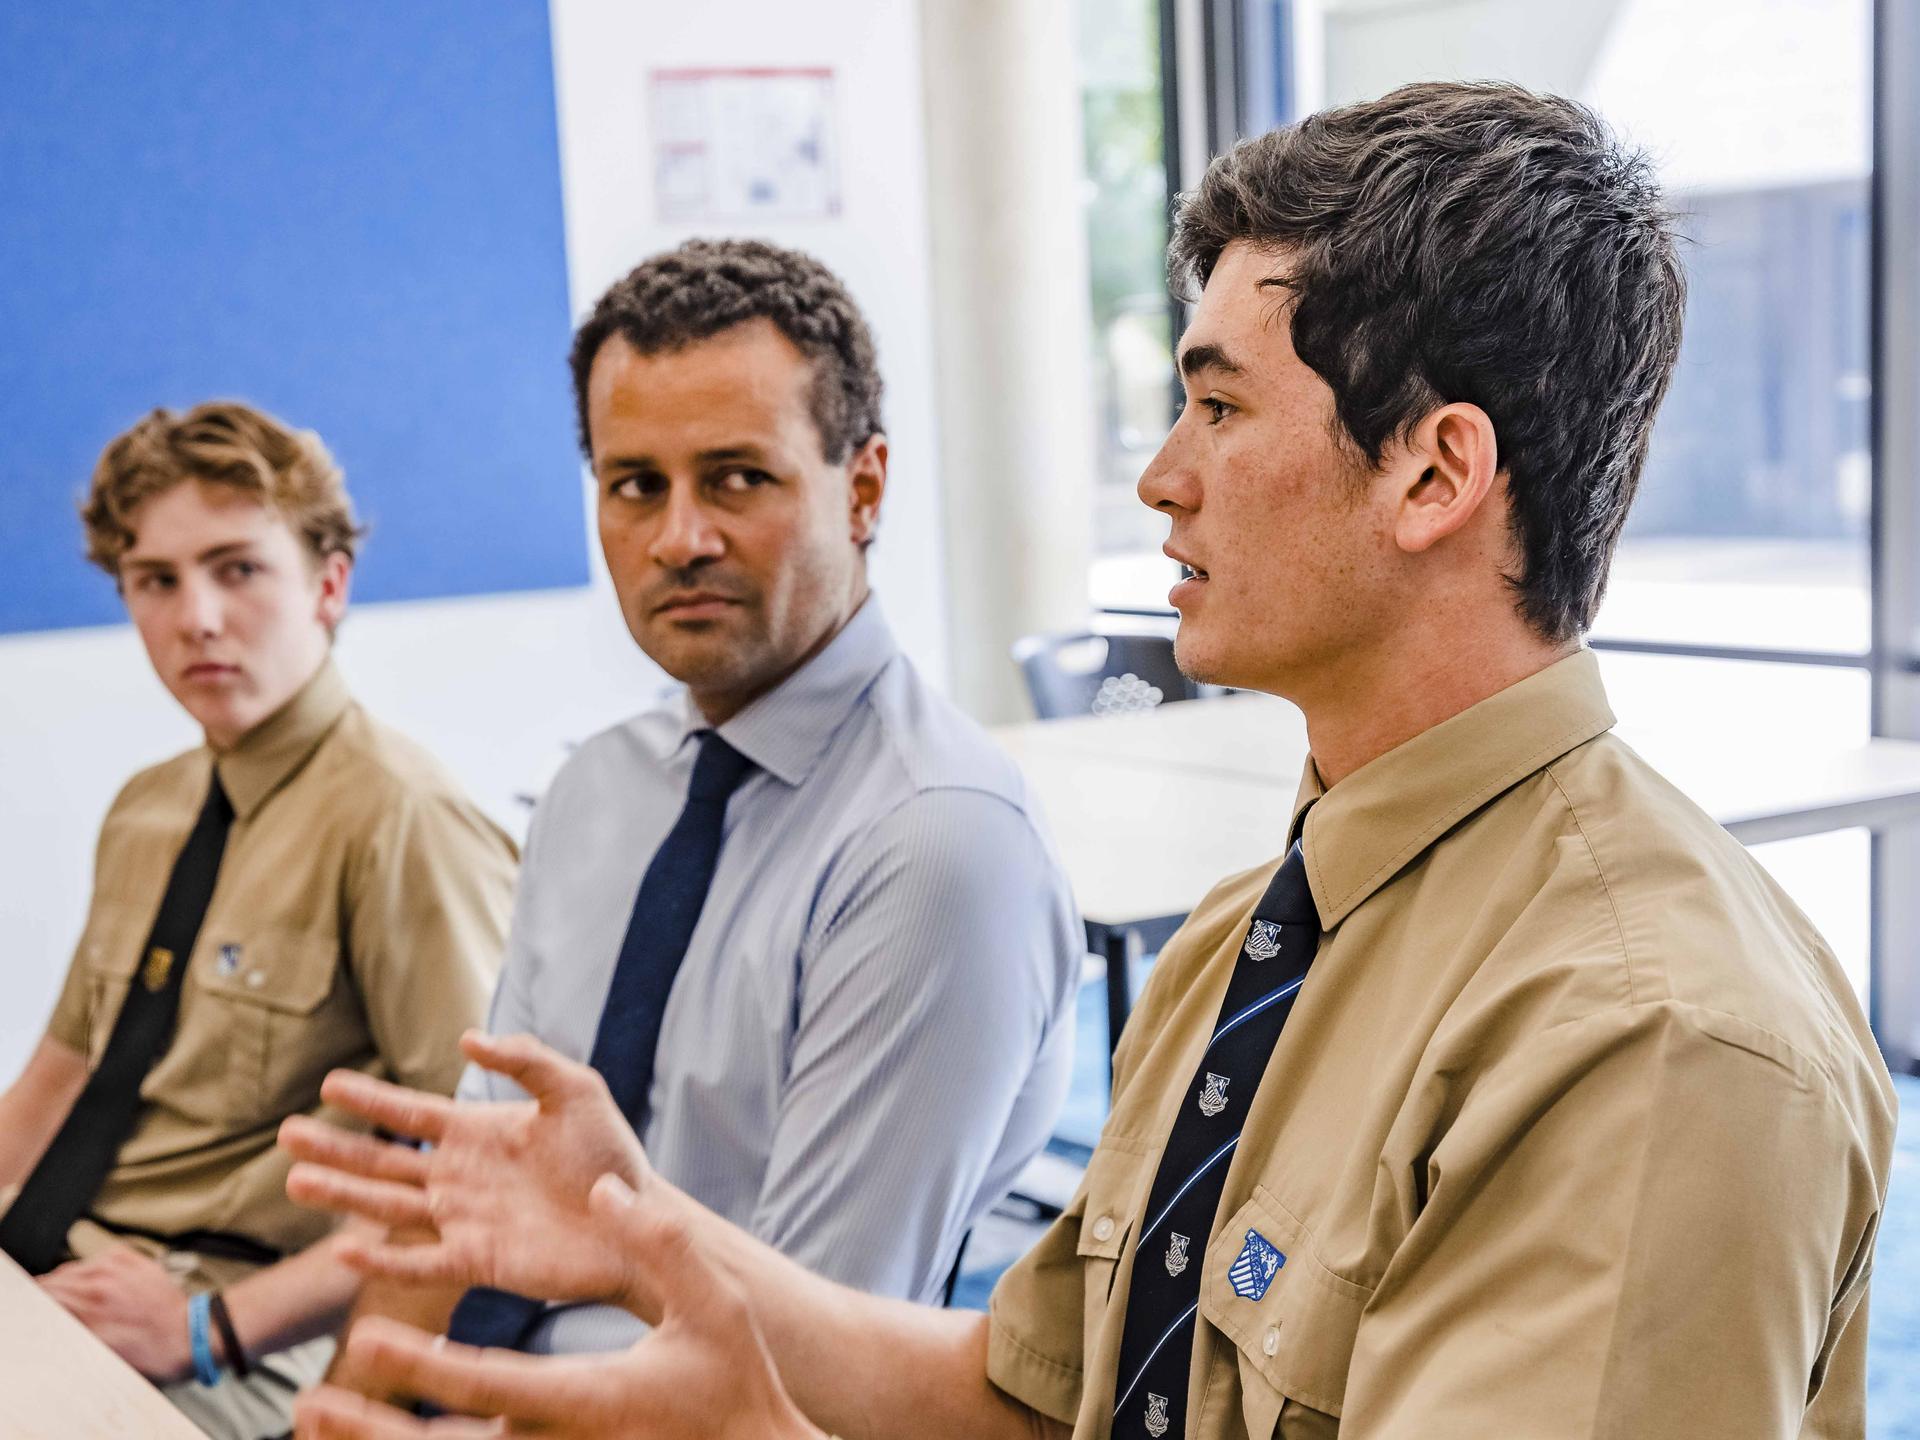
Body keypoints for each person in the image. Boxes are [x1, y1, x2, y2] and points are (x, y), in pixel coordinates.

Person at [282, 82, 1897, 1440]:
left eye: (1219, 410)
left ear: (1432, 474)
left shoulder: (1647, 1041)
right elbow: (1037, 1393)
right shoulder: (1246, 943)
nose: (1159, 477)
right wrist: (659, 1249)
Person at [319, 238, 1082, 1386]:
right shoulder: (595, 792)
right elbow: (461, 1216)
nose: (679, 539)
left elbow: (789, 1374)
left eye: (736, 478)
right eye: (636, 486)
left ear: (863, 488)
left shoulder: (936, 847)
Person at [0, 401, 517, 1439]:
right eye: (156, 581)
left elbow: (490, 1170)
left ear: (328, 585)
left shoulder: (403, 820)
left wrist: (208, 1328)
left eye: (237, 569)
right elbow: (60, 1077)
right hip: (49, 1278)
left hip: (220, 1338)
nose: (196, 617)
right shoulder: (147, 809)